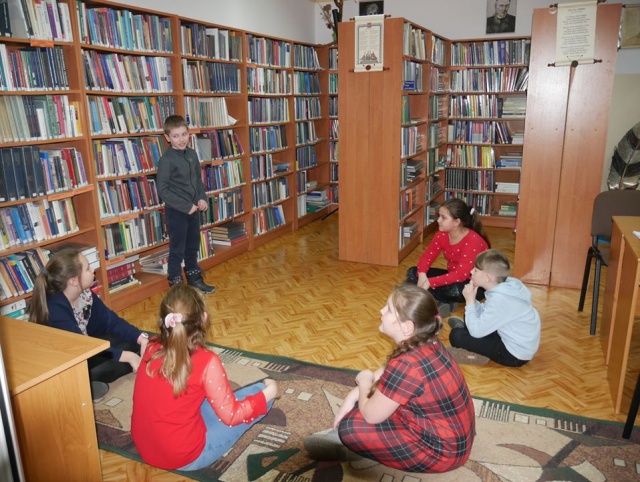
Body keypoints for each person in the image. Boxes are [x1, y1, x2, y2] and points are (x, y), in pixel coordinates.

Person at [304, 284, 475, 473]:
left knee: (350, 428)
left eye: (389, 310)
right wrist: (354, 394)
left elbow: (371, 415)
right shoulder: (428, 341)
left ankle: (349, 447)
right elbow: (389, 371)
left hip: (441, 454)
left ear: (406, 326)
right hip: (454, 442)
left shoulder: (406, 365)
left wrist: (364, 381)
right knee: (378, 395)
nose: (381, 311)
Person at [131, 284, 279, 471]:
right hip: (183, 457)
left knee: (194, 397)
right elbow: (232, 416)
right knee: (259, 393)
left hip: (144, 446)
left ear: (163, 320)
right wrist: (271, 391)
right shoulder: (207, 362)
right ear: (203, 318)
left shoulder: (152, 345)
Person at [28, 248, 148, 399]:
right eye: (87, 268)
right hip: (67, 363)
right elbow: (83, 346)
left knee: (141, 340)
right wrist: (128, 357)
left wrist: (141, 338)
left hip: (87, 347)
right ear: (73, 281)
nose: (93, 270)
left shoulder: (85, 294)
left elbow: (112, 322)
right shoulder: (55, 309)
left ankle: (137, 355)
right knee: (108, 366)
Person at [448, 249, 540, 367]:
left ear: (487, 278)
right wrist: (473, 300)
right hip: (509, 336)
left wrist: (470, 301)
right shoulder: (505, 287)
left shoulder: (501, 300)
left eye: (475, 270)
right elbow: (487, 311)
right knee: (470, 312)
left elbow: (477, 332)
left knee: (456, 336)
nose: (471, 272)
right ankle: (467, 329)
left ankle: (466, 338)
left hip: (513, 355)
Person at [157, 114, 215, 293]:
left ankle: (194, 278)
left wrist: (201, 198)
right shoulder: (166, 160)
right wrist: (186, 206)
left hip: (193, 210)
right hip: (177, 212)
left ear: (189, 134)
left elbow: (197, 180)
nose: (181, 139)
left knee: (192, 246)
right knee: (177, 249)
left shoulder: (191, 154)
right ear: (167, 138)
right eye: (176, 136)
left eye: (184, 134)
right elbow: (163, 190)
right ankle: (176, 286)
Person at [406, 198, 490, 316]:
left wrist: (430, 282)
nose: (438, 220)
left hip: (474, 284)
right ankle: (438, 302)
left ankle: (430, 300)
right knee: (413, 272)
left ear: (456, 222)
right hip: (453, 276)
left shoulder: (473, 241)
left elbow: (461, 275)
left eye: (443, 218)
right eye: (439, 216)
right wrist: (422, 275)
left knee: (453, 290)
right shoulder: (441, 235)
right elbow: (426, 257)